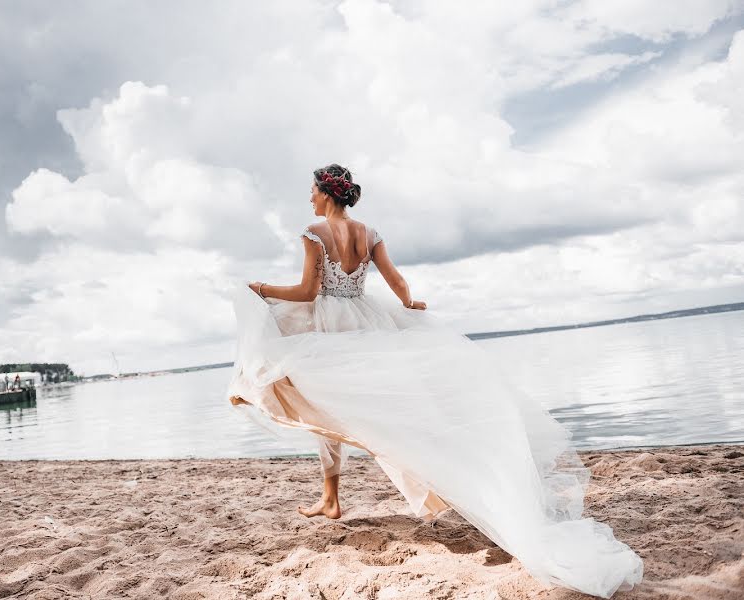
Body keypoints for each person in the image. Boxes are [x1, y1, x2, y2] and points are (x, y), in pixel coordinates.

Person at [226, 164, 643, 598]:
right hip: (369, 323)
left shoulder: (314, 231)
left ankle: (362, 489)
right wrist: (408, 303)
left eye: (311, 191)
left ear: (326, 194)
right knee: (348, 405)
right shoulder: (369, 233)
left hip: (331, 326)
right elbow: (396, 280)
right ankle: (331, 499)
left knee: (330, 401)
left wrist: (262, 288)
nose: (309, 198)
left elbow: (309, 292)